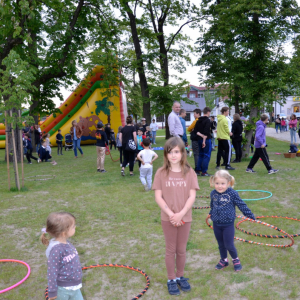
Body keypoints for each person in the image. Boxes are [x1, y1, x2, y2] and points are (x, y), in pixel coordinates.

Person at [152, 137, 199, 296]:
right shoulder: (161, 173)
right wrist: (172, 215)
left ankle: (180, 276)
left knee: (181, 249)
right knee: (170, 249)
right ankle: (171, 279)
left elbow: (192, 196)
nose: (173, 155)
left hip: (185, 217)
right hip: (168, 218)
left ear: (182, 153)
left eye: (176, 152)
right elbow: (158, 197)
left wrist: (181, 214)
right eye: (170, 152)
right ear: (165, 154)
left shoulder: (190, 172)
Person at [208, 170, 256, 272]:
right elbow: (213, 205)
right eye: (217, 183)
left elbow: (241, 204)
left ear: (228, 183)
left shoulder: (232, 193)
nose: (219, 186)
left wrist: (249, 215)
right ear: (213, 183)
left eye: (222, 183)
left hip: (228, 225)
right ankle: (224, 260)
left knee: (229, 244)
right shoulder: (213, 193)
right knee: (221, 244)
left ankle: (236, 259)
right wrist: (210, 213)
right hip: (216, 223)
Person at [40, 212, 83, 300]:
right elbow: (52, 272)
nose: (75, 227)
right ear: (64, 233)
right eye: (73, 226)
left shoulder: (66, 243)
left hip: (74, 285)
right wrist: (52, 292)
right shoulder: (56, 250)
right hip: (63, 289)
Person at [194, 106, 212, 176]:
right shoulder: (207, 120)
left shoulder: (198, 120)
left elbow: (196, 131)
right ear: (208, 112)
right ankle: (204, 171)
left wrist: (201, 136)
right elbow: (206, 132)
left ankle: (198, 170)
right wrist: (204, 140)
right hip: (206, 140)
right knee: (206, 155)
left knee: (201, 155)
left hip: (199, 139)